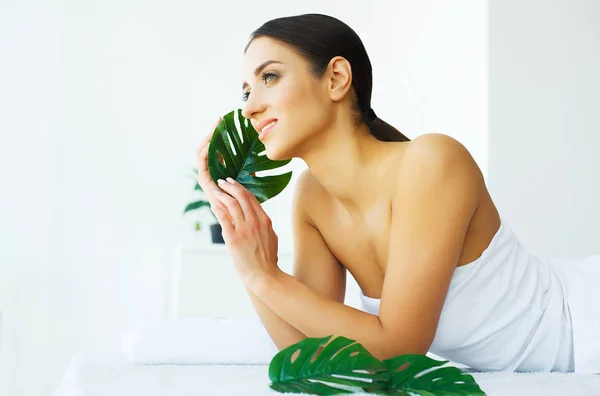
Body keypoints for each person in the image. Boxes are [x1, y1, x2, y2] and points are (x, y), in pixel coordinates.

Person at [195, 13, 600, 373]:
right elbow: (311, 357)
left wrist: (264, 277)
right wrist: (245, 255)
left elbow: (399, 350)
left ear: (336, 78)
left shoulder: (432, 161)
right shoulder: (313, 199)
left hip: (586, 321)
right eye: (246, 91)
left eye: (269, 77)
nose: (249, 109)